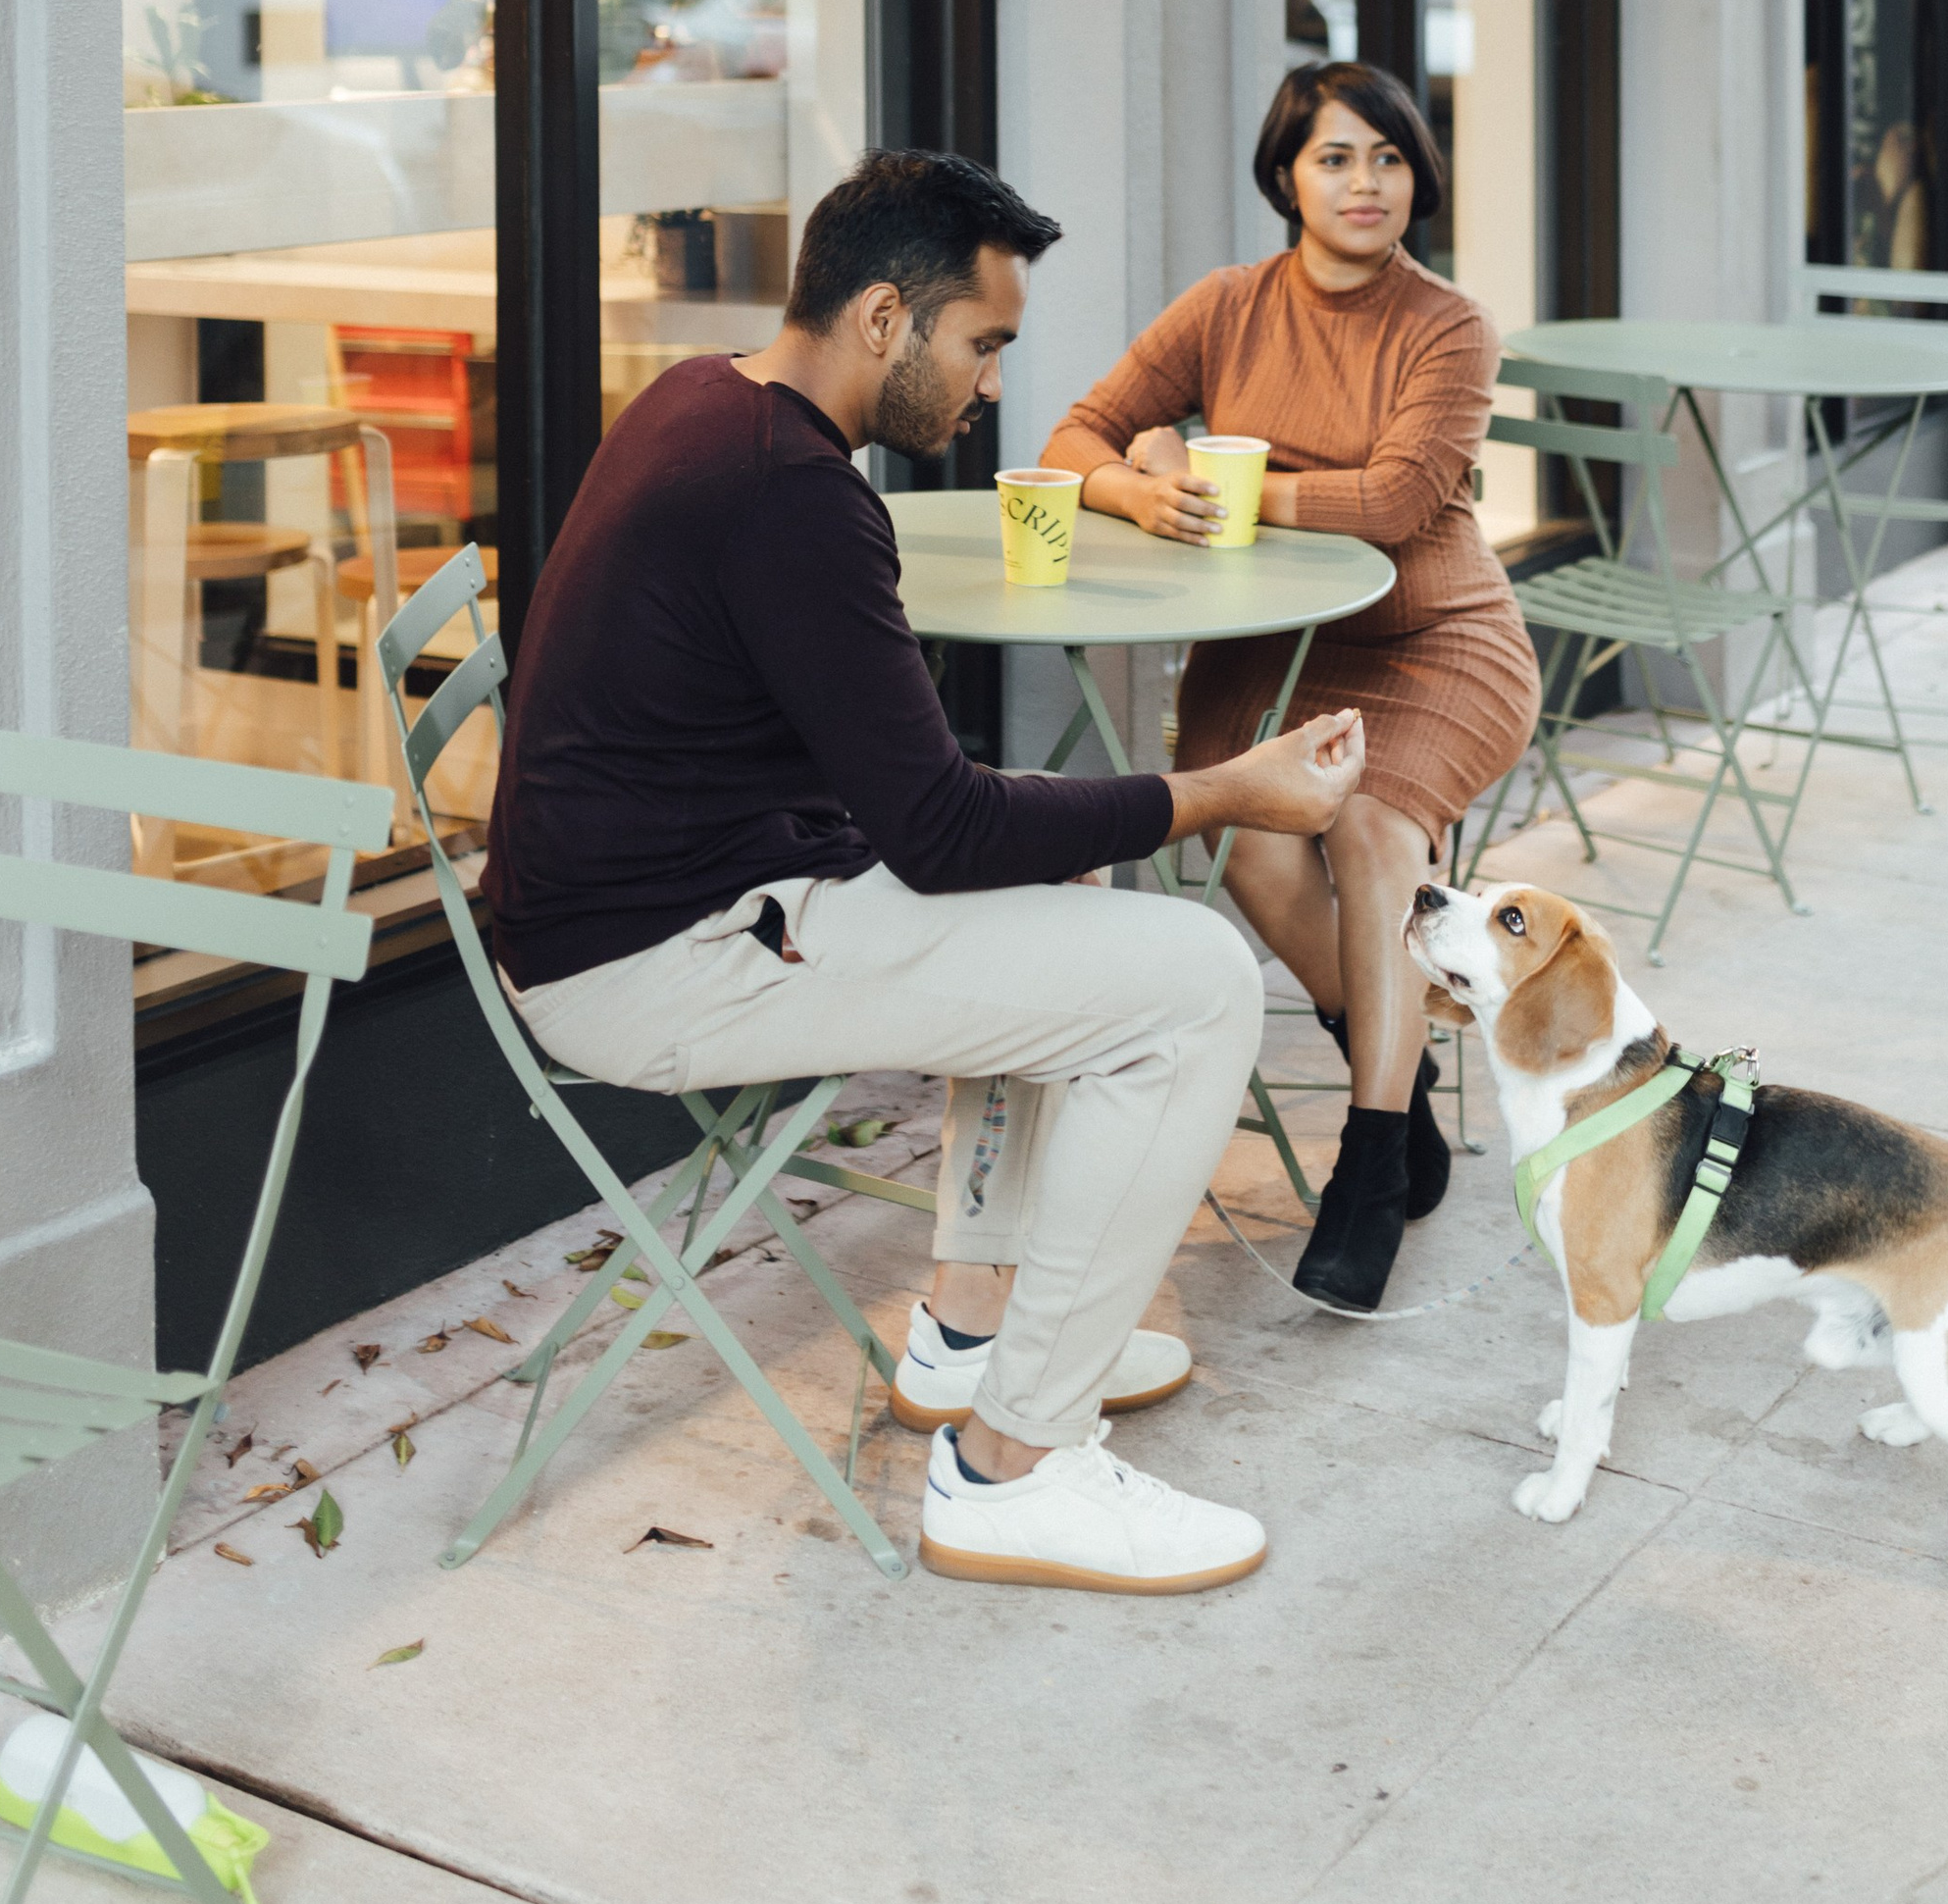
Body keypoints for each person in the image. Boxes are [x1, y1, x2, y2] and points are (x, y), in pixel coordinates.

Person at [481, 149, 1363, 1596]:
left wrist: (1094, 821)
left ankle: (968, 1328)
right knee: (1202, 984)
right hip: (656, 962)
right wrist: (1228, 792)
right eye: (982, 344)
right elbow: (942, 832)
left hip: (689, 898)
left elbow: (922, 810)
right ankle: (1016, 1465)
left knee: (1063, 880)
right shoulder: (791, 496)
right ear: (885, 317)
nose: (994, 385)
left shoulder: (707, 401)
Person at [1042, 65, 1534, 1312]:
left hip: (1432, 637)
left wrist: (1211, 476)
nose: (1365, 183)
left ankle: (1368, 1164)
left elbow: (1394, 502)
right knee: (1251, 843)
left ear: (1418, 176)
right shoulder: (1227, 305)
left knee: (1369, 829)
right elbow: (1074, 437)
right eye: (1334, 157)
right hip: (1268, 643)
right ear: (1284, 177)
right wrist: (1140, 487)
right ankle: (1400, 1072)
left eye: (1388, 157)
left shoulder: (1448, 325)